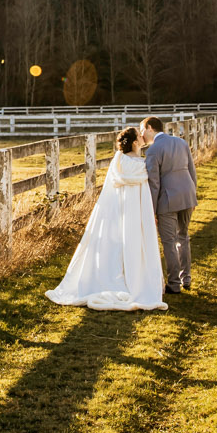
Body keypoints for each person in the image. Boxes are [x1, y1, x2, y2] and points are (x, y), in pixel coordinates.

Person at [45, 126, 166, 311]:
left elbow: (114, 184)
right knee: (133, 242)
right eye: (140, 137)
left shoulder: (118, 161)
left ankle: (116, 278)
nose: (143, 138)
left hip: (118, 207)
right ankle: (135, 279)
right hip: (134, 208)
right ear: (135, 143)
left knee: (115, 244)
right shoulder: (142, 164)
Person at [140, 115, 198, 292]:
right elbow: (191, 170)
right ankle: (185, 278)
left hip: (167, 199)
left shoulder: (153, 150)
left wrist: (152, 210)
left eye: (142, 129)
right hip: (187, 196)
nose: (141, 134)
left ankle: (174, 284)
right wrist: (193, 194)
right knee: (184, 237)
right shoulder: (181, 142)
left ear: (150, 128)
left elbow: (154, 183)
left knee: (169, 241)